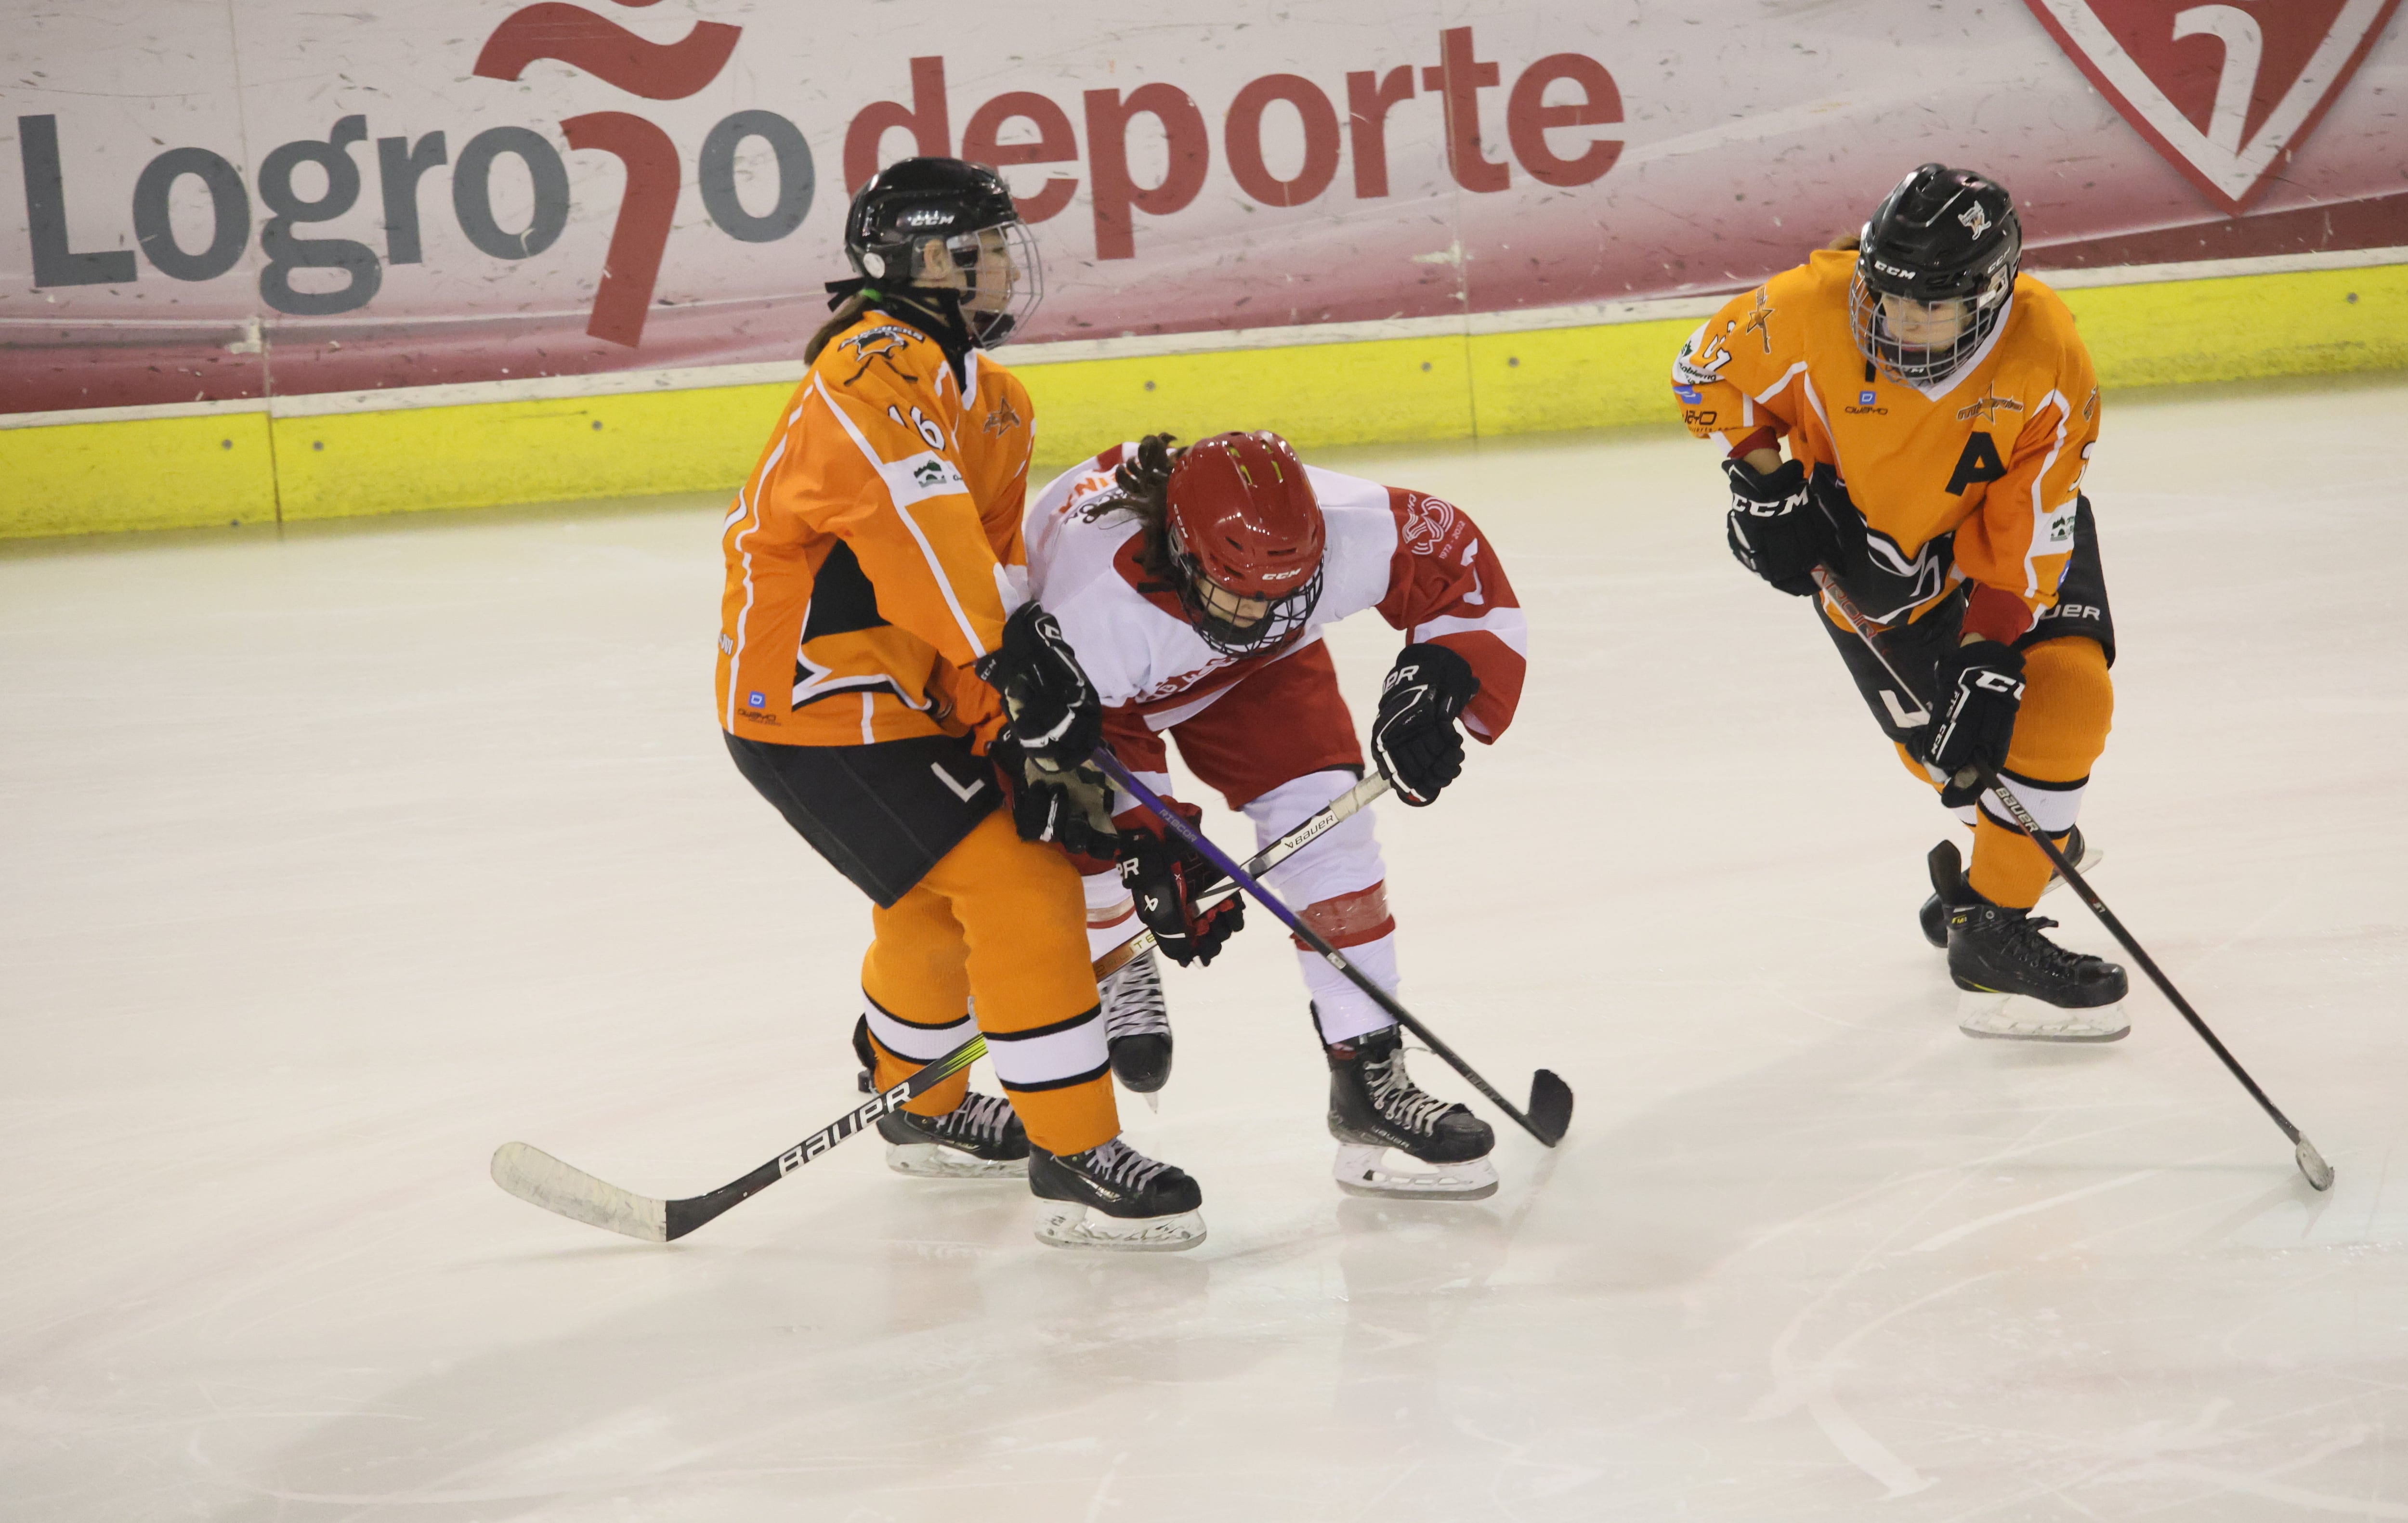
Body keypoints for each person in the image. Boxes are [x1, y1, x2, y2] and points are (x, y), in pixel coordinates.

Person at [714, 157, 1204, 1250]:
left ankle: (919, 1107)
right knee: (1021, 885)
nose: (1004, 265)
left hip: (903, 699)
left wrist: (1004, 717)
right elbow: (913, 540)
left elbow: (989, 570)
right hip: (809, 704)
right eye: (985, 246)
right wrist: (1016, 673)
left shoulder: (996, 400)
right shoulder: (871, 365)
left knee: (928, 900)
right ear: (928, 260)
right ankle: (1075, 1150)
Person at [1672, 162, 2128, 1041]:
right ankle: (2008, 859)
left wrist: (1994, 649)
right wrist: (1765, 484)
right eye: (1888, 299)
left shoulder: (2047, 353)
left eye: (1934, 306)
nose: (1903, 322)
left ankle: (1990, 938)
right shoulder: (1808, 305)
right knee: (1956, 765)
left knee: (2065, 700)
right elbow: (1702, 374)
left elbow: (2032, 525)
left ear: (1991, 296)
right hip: (1869, 558)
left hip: (2004, 543)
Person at [1023, 429, 1528, 1198]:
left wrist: (1442, 676)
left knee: (1334, 828)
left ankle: (1367, 1073)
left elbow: (1453, 562)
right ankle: (1120, 959)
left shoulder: (1342, 535)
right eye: (1242, 597)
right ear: (1185, 558)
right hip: (1105, 698)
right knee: (1099, 859)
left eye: (1287, 592)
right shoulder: (1095, 604)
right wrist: (1156, 850)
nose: (1262, 611)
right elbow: (1098, 748)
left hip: (1259, 677)